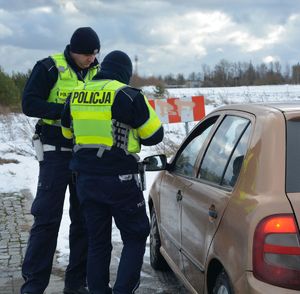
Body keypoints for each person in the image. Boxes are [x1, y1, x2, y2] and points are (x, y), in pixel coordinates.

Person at [61, 50, 164, 294]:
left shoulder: (76, 94)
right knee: (136, 235)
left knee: (97, 241)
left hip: (85, 181)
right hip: (120, 180)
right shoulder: (128, 95)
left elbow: (67, 133)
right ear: (125, 74)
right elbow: (154, 135)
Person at [21, 27, 101, 294]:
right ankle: (34, 285)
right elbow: (29, 104)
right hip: (55, 154)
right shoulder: (49, 67)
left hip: (85, 155)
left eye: (95, 53)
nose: (91, 58)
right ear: (73, 50)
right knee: (46, 219)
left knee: (84, 221)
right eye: (87, 54)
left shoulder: (97, 73)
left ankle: (76, 284)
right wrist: (65, 111)